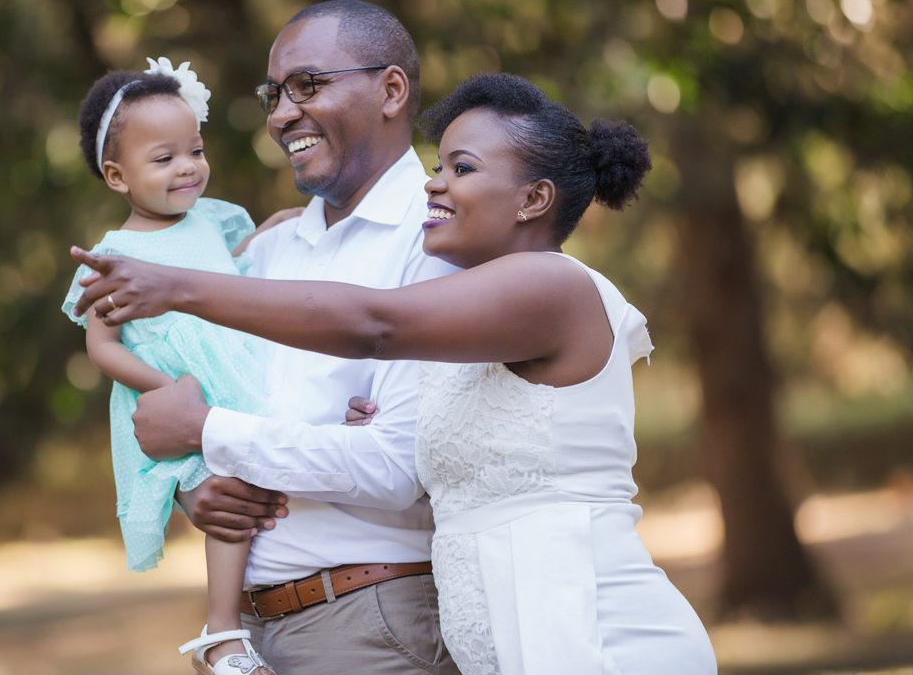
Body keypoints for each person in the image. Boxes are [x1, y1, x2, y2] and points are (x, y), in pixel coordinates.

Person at [73, 73, 718, 674]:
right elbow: (403, 450)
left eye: (462, 169)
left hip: (594, 628)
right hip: (514, 638)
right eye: (440, 166)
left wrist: (177, 288)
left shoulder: (550, 283)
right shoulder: (473, 312)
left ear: (534, 199)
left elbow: (374, 325)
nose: (434, 183)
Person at [73, 1, 461, 674]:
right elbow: (228, 397)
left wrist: (208, 431)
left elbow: (394, 470)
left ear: (391, 90)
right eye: (273, 93)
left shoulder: (435, 240)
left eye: (309, 85)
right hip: (257, 633)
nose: (281, 114)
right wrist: (202, 492)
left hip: (366, 624)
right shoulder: (269, 249)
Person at [61, 57, 293, 675]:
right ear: (118, 175)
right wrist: (172, 392)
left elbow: (236, 268)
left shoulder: (212, 220)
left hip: (234, 379)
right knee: (227, 504)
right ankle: (222, 634)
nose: (188, 167)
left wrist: (285, 225)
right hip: (171, 399)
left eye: (194, 150)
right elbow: (103, 348)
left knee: (266, 497)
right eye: (163, 159)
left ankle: (250, 622)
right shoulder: (114, 256)